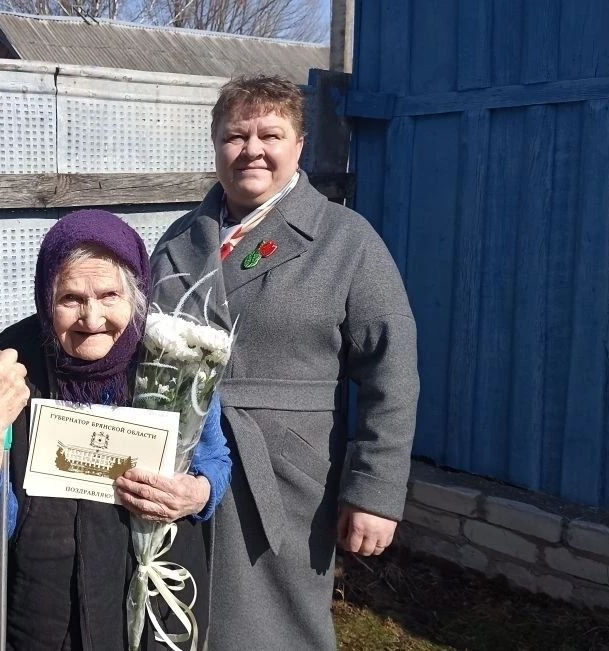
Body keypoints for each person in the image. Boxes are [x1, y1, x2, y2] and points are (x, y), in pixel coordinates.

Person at [148, 75, 420, 649]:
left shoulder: (346, 240)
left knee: (277, 625)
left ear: (298, 145)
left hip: (289, 472)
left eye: (270, 134)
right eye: (235, 135)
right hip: (182, 467)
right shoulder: (178, 241)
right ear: (215, 145)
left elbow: (391, 372)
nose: (252, 149)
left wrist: (373, 490)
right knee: (178, 610)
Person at [0, 209, 232, 650]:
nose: (92, 318)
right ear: (46, 298)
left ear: (136, 292)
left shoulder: (174, 360)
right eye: (71, 299)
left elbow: (215, 459)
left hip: (148, 606)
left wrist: (199, 492)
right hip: (40, 617)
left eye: (109, 295)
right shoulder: (9, 366)